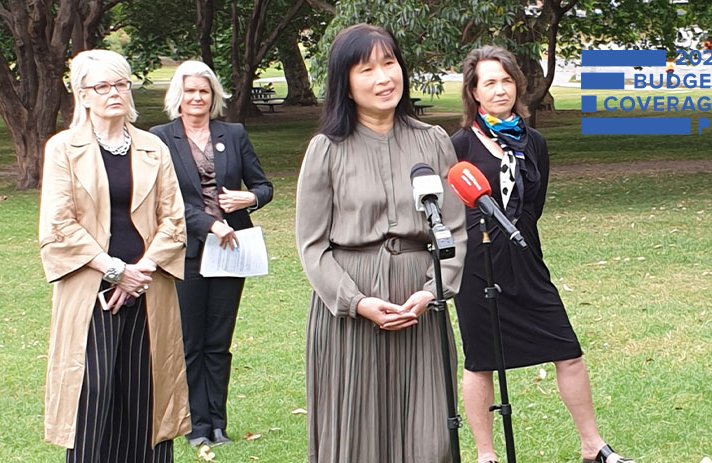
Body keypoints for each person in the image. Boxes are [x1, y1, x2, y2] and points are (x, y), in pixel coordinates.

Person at [450, 45, 636, 463]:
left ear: (519, 85)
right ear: (474, 92)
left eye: (507, 80)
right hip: (476, 266)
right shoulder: (458, 144)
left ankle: (593, 446)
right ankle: (486, 454)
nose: (500, 90)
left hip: (526, 260)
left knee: (568, 350)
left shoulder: (533, 142)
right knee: (480, 360)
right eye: (489, 83)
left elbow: (533, 206)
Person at [295, 24, 467, 463]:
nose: (382, 77)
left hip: (419, 303)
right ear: (345, 84)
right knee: (357, 435)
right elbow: (312, 245)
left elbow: (454, 230)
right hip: (351, 308)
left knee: (430, 434)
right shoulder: (326, 149)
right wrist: (356, 302)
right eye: (366, 68)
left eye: (389, 63)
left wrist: (433, 290)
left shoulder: (433, 141)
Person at [39, 49, 189, 463]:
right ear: (82, 95)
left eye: (121, 84)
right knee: (93, 393)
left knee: (147, 393)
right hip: (92, 291)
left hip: (149, 288)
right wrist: (114, 270)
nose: (114, 93)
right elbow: (59, 226)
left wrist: (139, 271)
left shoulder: (153, 147)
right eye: (102, 86)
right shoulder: (63, 149)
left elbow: (173, 220)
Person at [150, 60, 273, 448]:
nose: (197, 97)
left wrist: (249, 198)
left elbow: (264, 185)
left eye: (204, 91)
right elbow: (163, 200)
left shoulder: (233, 134)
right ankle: (194, 423)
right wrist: (208, 223)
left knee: (219, 341)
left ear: (213, 96)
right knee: (191, 342)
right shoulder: (160, 138)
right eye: (190, 91)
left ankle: (217, 423)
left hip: (231, 250)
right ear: (178, 97)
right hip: (186, 252)